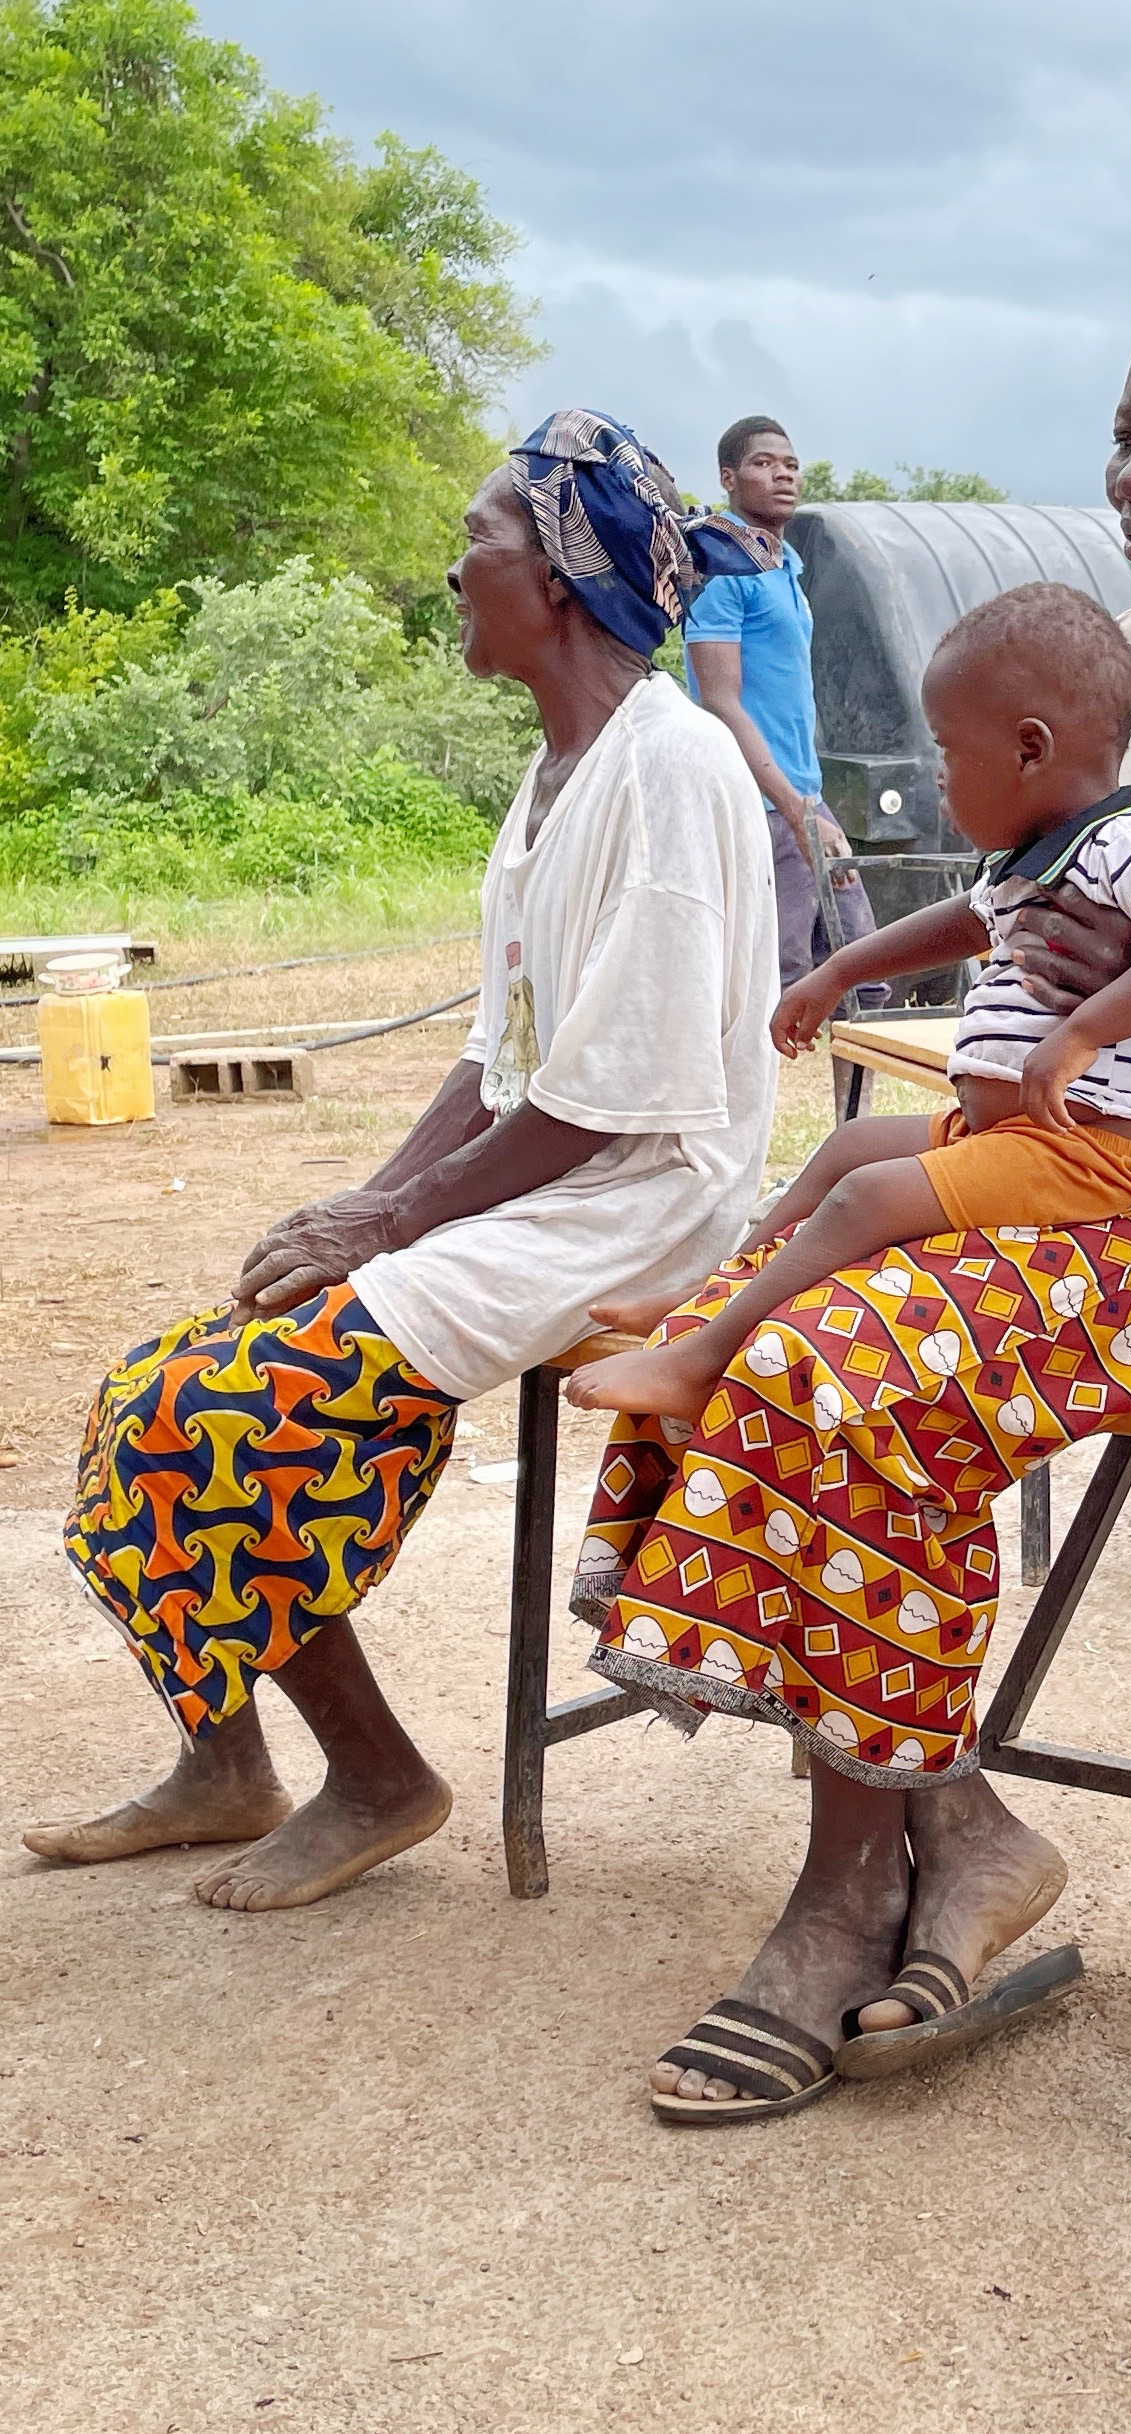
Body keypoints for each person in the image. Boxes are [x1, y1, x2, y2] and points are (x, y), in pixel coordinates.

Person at [568, 262, 1131, 2125]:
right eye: (1123, 438)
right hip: (1064, 1164)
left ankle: (846, 1895)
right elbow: (1011, 897)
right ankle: (961, 1826)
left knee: (845, 1360)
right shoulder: (1122, 670)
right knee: (746, 1314)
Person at [25, 410, 782, 1913]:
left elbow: (611, 1096)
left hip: (638, 1201)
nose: (454, 568)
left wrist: (397, 1220)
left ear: (558, 579)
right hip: (552, 1172)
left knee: (222, 1413)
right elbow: (495, 1061)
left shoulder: (672, 766)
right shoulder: (557, 775)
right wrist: (362, 1208)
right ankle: (224, 1760)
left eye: (478, 539)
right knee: (149, 1386)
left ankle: (379, 1778)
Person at [569, 581, 1131, 1423]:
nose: (935, 773)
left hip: (1087, 1155)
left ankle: (702, 1360)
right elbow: (961, 923)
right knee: (851, 1147)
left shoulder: (1126, 844)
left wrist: (1082, 1033)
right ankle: (707, 1294)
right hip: (1006, 1137)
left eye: (947, 751)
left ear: (1029, 751)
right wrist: (837, 971)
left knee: (871, 1196)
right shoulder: (1032, 858)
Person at [689, 414, 867, 993]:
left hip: (802, 798)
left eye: (790, 465)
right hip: (759, 807)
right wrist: (795, 811)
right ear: (728, 478)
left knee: (861, 975)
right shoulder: (720, 570)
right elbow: (719, 701)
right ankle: (737, 1088)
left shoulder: (786, 565)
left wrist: (807, 804)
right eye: (764, 464)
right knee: (771, 979)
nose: (783, 475)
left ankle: (851, 1091)